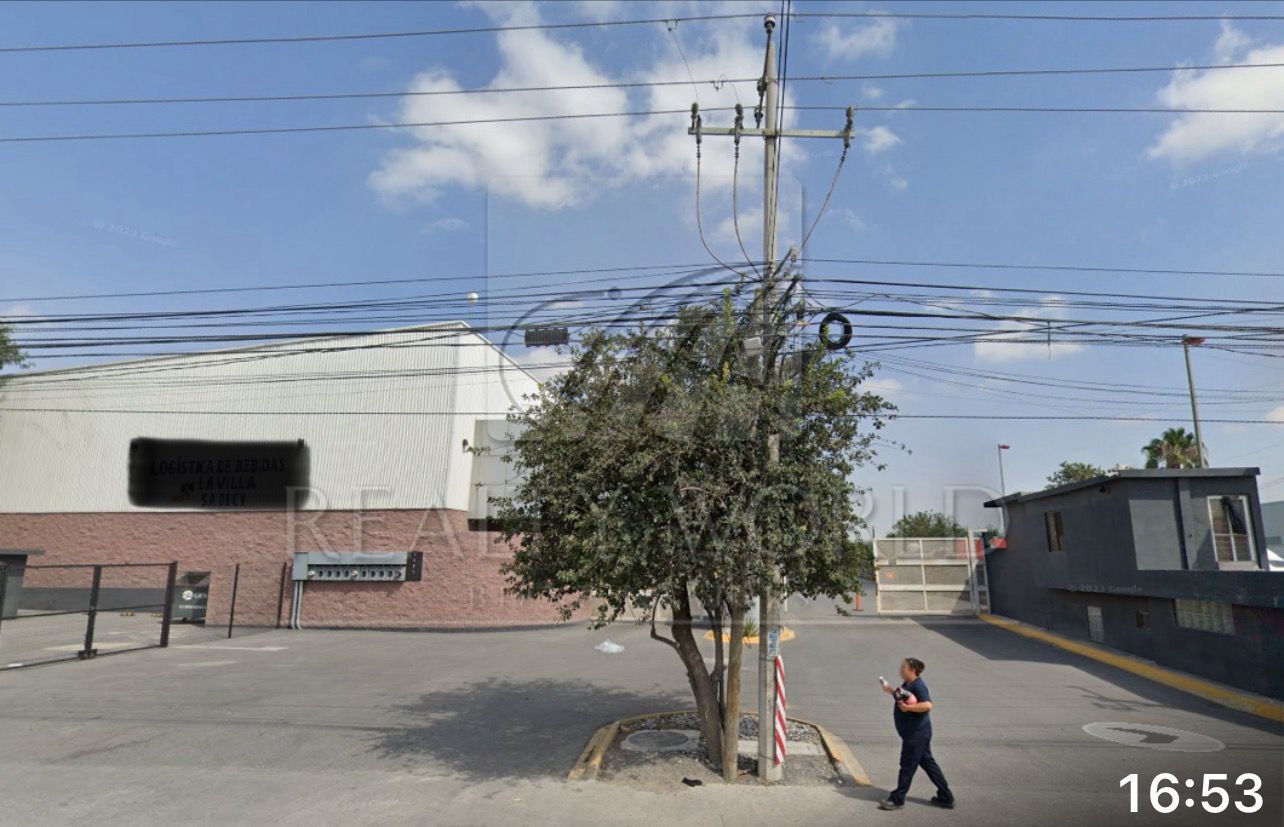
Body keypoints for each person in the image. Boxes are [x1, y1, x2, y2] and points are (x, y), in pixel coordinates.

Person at [878, 657, 955, 811]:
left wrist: (908, 709)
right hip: (917, 733)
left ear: (913, 670)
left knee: (907, 766)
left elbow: (927, 705)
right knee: (928, 764)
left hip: (916, 734)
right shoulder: (908, 684)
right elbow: (904, 697)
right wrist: (891, 690)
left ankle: (898, 798)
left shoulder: (919, 685)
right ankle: (946, 796)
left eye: (904, 667)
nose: (901, 670)